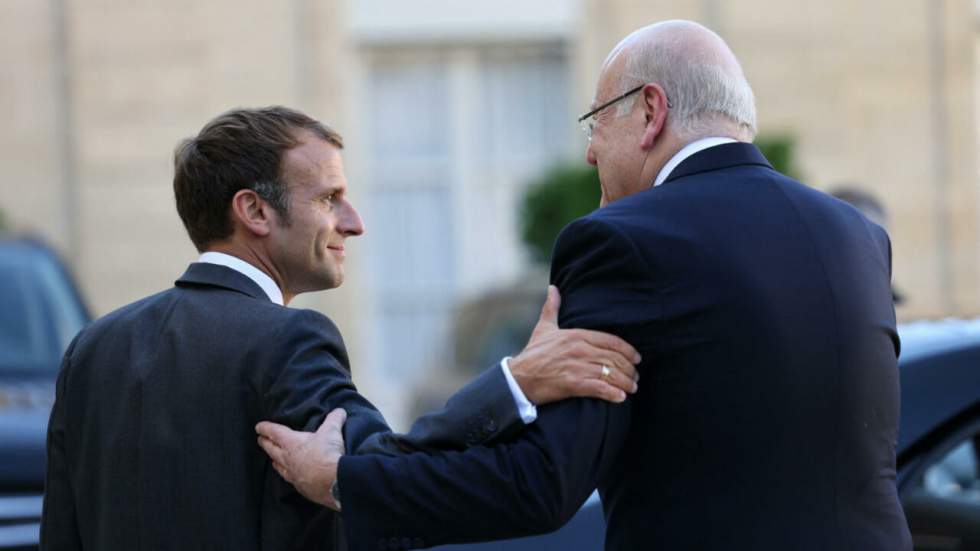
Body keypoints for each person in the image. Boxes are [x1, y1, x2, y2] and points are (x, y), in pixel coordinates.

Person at [259, 20, 912, 550]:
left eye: (596, 120)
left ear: (650, 111)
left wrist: (345, 479)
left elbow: (539, 484)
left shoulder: (626, 239)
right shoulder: (857, 234)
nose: (590, 153)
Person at [39, 107, 642, 551]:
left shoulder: (93, 348)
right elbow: (383, 478)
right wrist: (517, 380)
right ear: (254, 211)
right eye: (330, 198)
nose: (353, 223)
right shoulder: (288, 340)